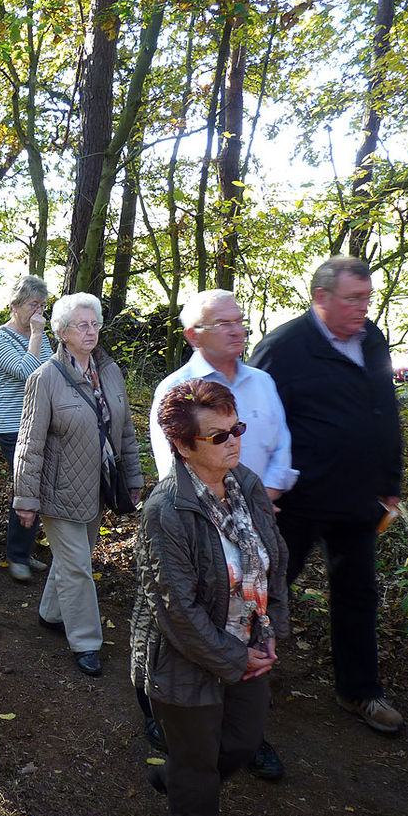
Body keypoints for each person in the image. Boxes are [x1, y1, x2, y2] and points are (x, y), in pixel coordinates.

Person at [249, 255, 403, 734]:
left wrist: (390, 484)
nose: (363, 307)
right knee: (266, 593)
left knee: (358, 594)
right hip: (296, 502)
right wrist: (256, 494)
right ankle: (242, 679)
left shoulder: (371, 338)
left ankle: (359, 692)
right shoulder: (284, 347)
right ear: (321, 298)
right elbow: (254, 422)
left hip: (358, 499)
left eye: (367, 297)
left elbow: (384, 410)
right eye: (353, 298)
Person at [147, 288, 296, 778]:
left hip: (256, 522)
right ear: (195, 334)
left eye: (241, 321)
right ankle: (184, 747)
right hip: (201, 545)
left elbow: (282, 448)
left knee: (239, 726)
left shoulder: (264, 384)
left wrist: (261, 500)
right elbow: (174, 480)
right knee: (196, 733)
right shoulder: (178, 391)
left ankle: (230, 742)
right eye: (224, 323)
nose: (239, 330)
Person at [130, 380, 289, 816]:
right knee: (199, 773)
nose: (234, 440)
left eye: (236, 428)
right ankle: (188, 791)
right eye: (218, 436)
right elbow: (176, 608)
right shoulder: (166, 510)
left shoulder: (247, 484)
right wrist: (233, 658)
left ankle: (177, 778)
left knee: (241, 741)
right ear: (181, 445)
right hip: (184, 660)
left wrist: (271, 628)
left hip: (248, 645)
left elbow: (273, 560)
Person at [13, 293, 142, 676]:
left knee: (73, 561)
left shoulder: (110, 371)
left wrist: (133, 478)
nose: (91, 331)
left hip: (96, 488)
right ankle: (86, 641)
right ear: (62, 332)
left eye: (95, 323)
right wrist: (25, 498)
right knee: (78, 568)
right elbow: (29, 442)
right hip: (58, 492)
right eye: (81, 325)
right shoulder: (45, 378)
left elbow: (126, 432)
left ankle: (51, 614)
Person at [0, 275, 55, 581]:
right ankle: (16, 556)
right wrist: (37, 335)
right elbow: (29, 372)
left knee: (37, 487)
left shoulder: (43, 337)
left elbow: (53, 373)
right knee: (26, 488)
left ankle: (24, 552)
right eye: (32, 305)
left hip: (40, 423)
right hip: (12, 425)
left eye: (42, 305)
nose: (38, 312)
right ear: (15, 306)